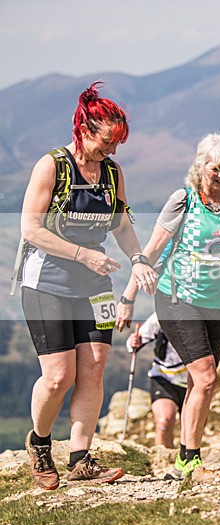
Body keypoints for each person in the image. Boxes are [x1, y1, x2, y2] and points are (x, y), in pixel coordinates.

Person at [19, 82, 158, 489]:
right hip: (47, 282)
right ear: (83, 129)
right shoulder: (52, 166)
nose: (113, 150)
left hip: (95, 284)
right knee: (59, 376)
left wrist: (138, 259)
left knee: (94, 370)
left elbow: (120, 223)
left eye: (118, 143)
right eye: (107, 142)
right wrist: (83, 255)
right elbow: (30, 229)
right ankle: (40, 444)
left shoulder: (112, 173)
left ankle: (80, 459)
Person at [117, 132, 220, 477]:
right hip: (176, 298)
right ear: (200, 167)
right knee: (207, 377)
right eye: (215, 168)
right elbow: (151, 251)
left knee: (200, 383)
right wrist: (128, 298)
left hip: (218, 304)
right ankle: (190, 457)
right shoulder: (182, 200)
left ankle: (185, 457)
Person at [126, 312, 220, 448]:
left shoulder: (203, 316)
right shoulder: (161, 315)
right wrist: (133, 341)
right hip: (164, 378)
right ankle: (163, 460)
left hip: (193, 383)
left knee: (190, 428)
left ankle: (185, 458)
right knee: (164, 422)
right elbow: (135, 342)